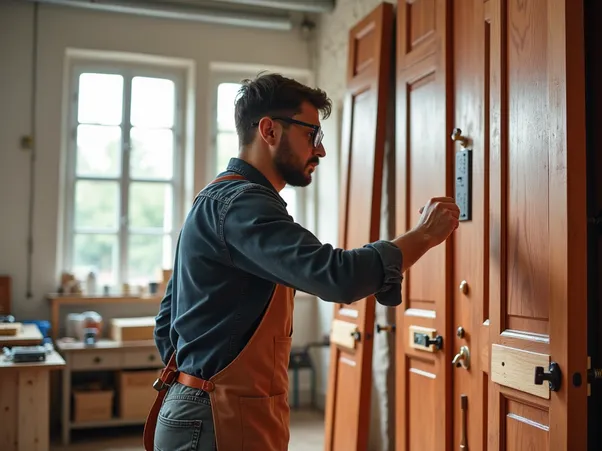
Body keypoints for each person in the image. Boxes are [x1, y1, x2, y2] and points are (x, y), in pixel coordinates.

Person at [142, 73, 460, 451]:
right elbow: (338, 277)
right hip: (216, 419)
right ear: (269, 130)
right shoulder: (242, 205)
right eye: (313, 135)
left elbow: (167, 323)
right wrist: (423, 235)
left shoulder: (216, 199)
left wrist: (195, 381)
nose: (320, 150)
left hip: (206, 409)